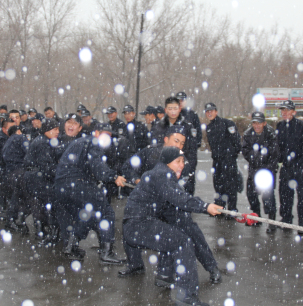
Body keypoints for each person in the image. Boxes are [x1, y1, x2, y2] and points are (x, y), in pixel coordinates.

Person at [120, 146, 222, 306]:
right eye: (178, 161)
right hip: (138, 225)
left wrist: (202, 205)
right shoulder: (162, 175)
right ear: (167, 162)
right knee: (182, 243)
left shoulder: (158, 173)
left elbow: (179, 198)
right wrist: (205, 206)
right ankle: (187, 297)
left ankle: (165, 277)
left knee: (173, 234)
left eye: (183, 161)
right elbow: (179, 198)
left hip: (133, 227)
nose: (182, 165)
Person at [53, 123, 126, 263]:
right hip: (76, 183)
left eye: (110, 136)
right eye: (106, 134)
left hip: (61, 186)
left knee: (88, 214)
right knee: (106, 212)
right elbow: (97, 167)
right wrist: (113, 177)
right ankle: (107, 253)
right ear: (97, 133)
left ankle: (71, 246)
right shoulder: (93, 142)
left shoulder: (80, 141)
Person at [24, 119, 64, 244]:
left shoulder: (44, 140)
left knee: (39, 204)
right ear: (47, 130)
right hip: (37, 177)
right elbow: (47, 166)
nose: (58, 132)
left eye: (58, 129)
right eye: (55, 129)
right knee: (48, 203)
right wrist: (62, 174)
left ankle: (42, 231)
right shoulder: (43, 143)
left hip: (34, 176)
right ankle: (48, 232)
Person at [276, 100, 303, 233]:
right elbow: (279, 145)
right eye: (282, 110)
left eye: (287, 110)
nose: (284, 113)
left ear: (293, 112)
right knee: (285, 196)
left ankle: (302, 224)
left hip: (301, 167)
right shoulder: (279, 125)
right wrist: (279, 160)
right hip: (286, 167)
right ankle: (286, 220)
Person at [151, 97, 199, 195]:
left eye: (175, 108)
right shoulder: (158, 127)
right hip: (163, 171)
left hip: (182, 171)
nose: (173, 111)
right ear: (165, 110)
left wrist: (188, 172)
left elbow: (192, 152)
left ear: (180, 109)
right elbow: (155, 150)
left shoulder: (188, 127)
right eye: (170, 108)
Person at [242, 112, 280, 233]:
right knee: (251, 194)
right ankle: (256, 217)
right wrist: (254, 158)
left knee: (268, 197)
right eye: (254, 123)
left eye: (259, 123)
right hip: (254, 168)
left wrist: (268, 168)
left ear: (264, 123)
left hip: (268, 169)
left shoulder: (271, 134)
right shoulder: (248, 134)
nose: (256, 125)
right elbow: (245, 151)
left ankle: (271, 222)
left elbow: (275, 153)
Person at [204, 102, 241, 215]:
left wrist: (231, 155)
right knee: (218, 185)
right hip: (217, 161)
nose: (209, 113)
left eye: (211, 111)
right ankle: (220, 209)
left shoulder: (227, 123)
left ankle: (232, 210)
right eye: (207, 111)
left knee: (231, 186)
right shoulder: (209, 128)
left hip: (228, 160)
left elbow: (236, 141)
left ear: (216, 111)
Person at [3, 125, 30, 233]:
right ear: (18, 131)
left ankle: (12, 219)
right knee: (24, 197)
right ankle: (17, 220)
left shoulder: (8, 142)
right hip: (20, 171)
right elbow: (29, 152)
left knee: (17, 196)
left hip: (10, 172)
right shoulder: (20, 137)